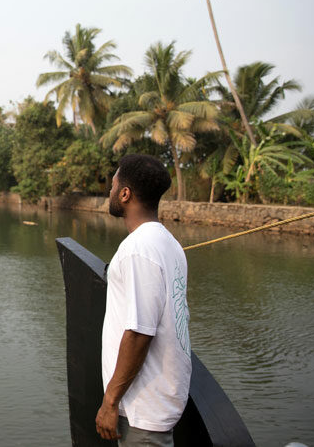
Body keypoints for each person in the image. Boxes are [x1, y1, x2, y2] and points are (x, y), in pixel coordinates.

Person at [95, 154, 191, 446]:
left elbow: (140, 332)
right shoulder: (168, 243)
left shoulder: (139, 249)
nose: (110, 192)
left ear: (125, 194)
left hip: (142, 410)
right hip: (157, 402)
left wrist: (110, 402)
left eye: (113, 186)